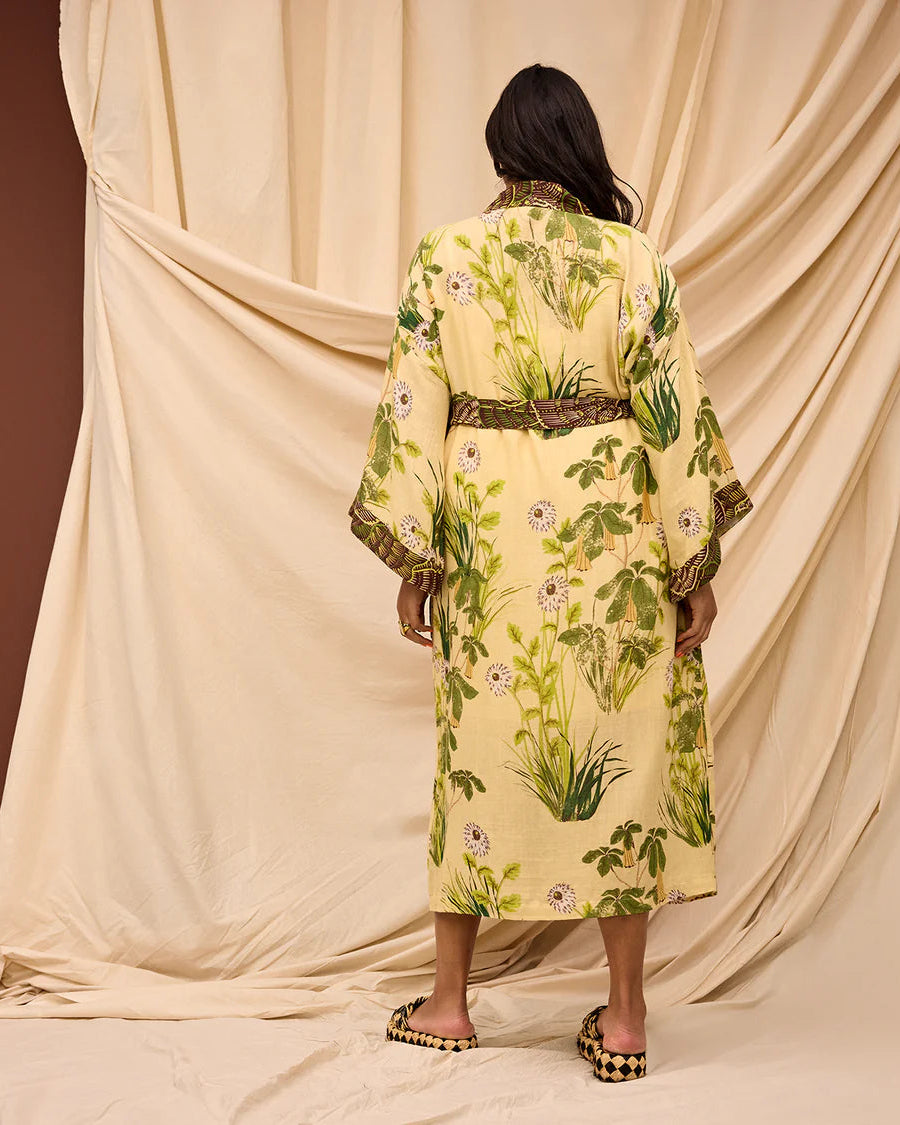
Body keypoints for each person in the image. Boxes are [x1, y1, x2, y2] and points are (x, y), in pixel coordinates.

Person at [348, 63, 753, 1082]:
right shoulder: (632, 259)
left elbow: (413, 409)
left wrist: (415, 559)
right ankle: (626, 1018)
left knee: (474, 751)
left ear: (502, 151)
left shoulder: (446, 255)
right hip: (614, 534)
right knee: (621, 747)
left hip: (492, 535)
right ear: (579, 148)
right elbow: (672, 416)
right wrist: (692, 562)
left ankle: (450, 1004)